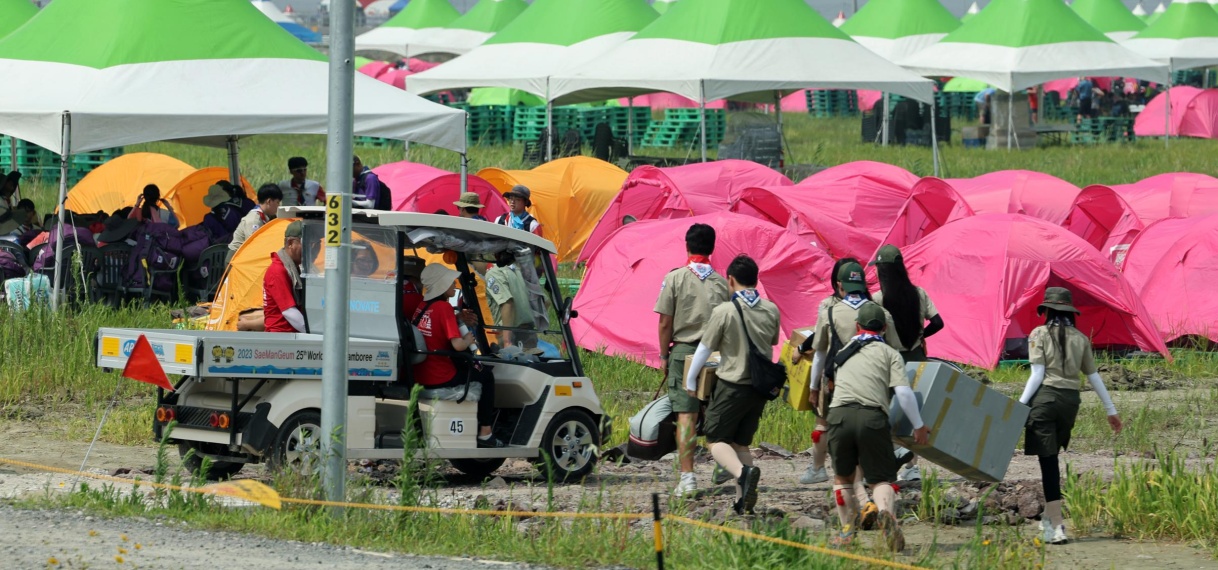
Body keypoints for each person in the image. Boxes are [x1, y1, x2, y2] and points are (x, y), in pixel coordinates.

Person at [1017, 287, 1122, 546]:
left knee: (1048, 463)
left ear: (1047, 310)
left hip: (1046, 400)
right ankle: (1051, 521)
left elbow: (1037, 375)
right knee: (1052, 459)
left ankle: (1055, 525)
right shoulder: (1081, 338)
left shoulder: (1038, 334)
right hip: (1070, 402)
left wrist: (1019, 406)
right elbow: (1093, 376)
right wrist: (1111, 410)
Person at [826, 302, 929, 551]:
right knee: (881, 478)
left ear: (857, 326)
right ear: (884, 328)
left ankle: (846, 533)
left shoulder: (845, 350)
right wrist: (919, 426)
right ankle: (886, 513)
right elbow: (903, 393)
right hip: (872, 417)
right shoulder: (890, 354)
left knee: (843, 478)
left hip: (838, 415)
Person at [684, 254, 780, 515]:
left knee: (715, 439)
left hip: (732, 385)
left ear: (730, 280)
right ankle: (743, 501)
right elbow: (771, 341)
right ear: (755, 279)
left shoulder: (725, 310)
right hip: (759, 389)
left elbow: (705, 348)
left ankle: (742, 473)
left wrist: (691, 379)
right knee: (741, 443)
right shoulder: (771, 309)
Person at [654, 223, 730, 498]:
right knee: (715, 413)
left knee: (686, 416)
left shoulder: (674, 278)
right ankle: (724, 463)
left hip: (684, 352)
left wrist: (663, 356)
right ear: (712, 248)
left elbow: (665, 322)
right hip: (715, 356)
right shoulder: (721, 283)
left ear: (686, 246)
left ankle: (688, 478)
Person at [407, 264, 504, 448]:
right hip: (441, 375)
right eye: (450, 281)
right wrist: (468, 338)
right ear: (441, 285)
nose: (454, 284)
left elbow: (436, 326)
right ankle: (485, 432)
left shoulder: (423, 306)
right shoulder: (444, 308)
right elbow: (458, 346)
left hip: (422, 374)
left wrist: (457, 318)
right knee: (486, 376)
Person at [871, 244, 945, 482]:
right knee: (914, 412)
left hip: (891, 360)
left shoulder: (879, 299)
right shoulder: (919, 293)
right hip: (917, 358)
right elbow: (938, 322)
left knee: (890, 412)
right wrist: (922, 336)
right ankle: (912, 466)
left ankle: (895, 456)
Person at [480, 250, 538, 350]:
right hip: (530, 333)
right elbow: (545, 302)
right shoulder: (522, 272)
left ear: (496, 254)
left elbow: (507, 303)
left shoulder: (494, 273)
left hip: (511, 335)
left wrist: (507, 340)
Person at [263, 220, 306, 333]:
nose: (312, 249)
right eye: (307, 244)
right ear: (291, 243)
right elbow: (289, 311)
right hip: (282, 338)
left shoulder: (295, 268)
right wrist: (315, 333)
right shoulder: (277, 271)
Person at [230, 184, 284, 254]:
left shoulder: (267, 216)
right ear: (269, 201)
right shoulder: (254, 220)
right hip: (236, 257)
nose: (278, 206)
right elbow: (253, 245)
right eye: (277, 202)